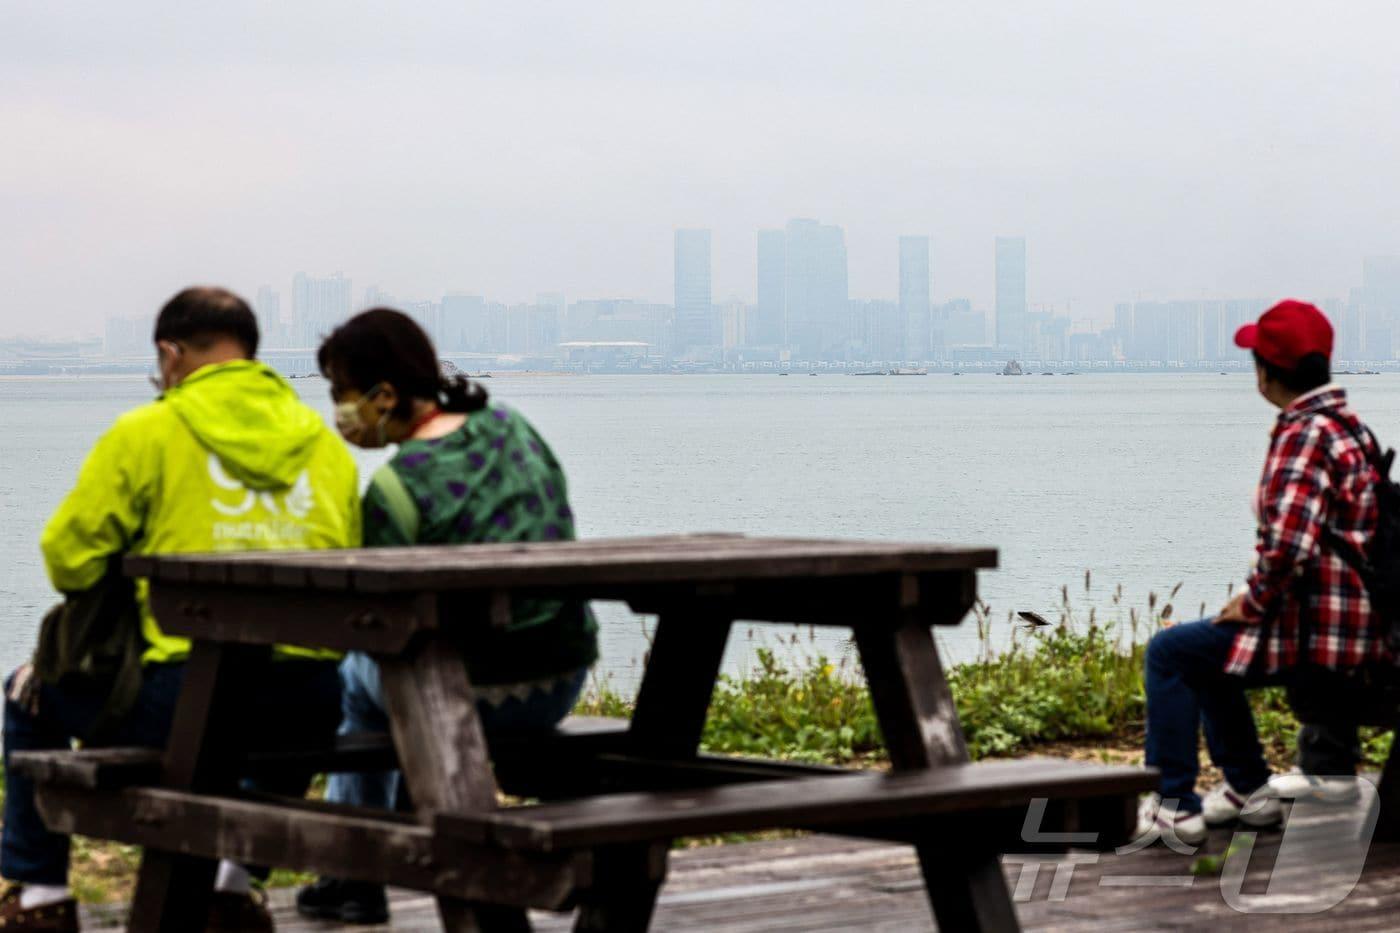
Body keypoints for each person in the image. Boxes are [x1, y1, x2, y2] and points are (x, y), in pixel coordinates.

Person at [0, 288, 360, 931]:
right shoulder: (322, 444)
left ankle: (39, 896)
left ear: (170, 352)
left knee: (24, 692)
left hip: (188, 707)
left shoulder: (151, 431)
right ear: (248, 351)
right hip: (308, 710)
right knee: (276, 698)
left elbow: (67, 559)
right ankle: (233, 882)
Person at [295, 308, 597, 925]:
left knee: (357, 678)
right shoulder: (515, 428)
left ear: (384, 395)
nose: (339, 413)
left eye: (341, 395)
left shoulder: (397, 490)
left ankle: (352, 874)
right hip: (561, 678)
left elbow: (373, 619)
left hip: (466, 699)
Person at [1138, 299, 1383, 846]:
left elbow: (1289, 546)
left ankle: (1174, 802)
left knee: (1171, 652)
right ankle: (1249, 787)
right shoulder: (1352, 430)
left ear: (1268, 371)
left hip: (1321, 630)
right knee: (1209, 655)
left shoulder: (1306, 432)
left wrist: (1250, 602)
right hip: (1359, 621)